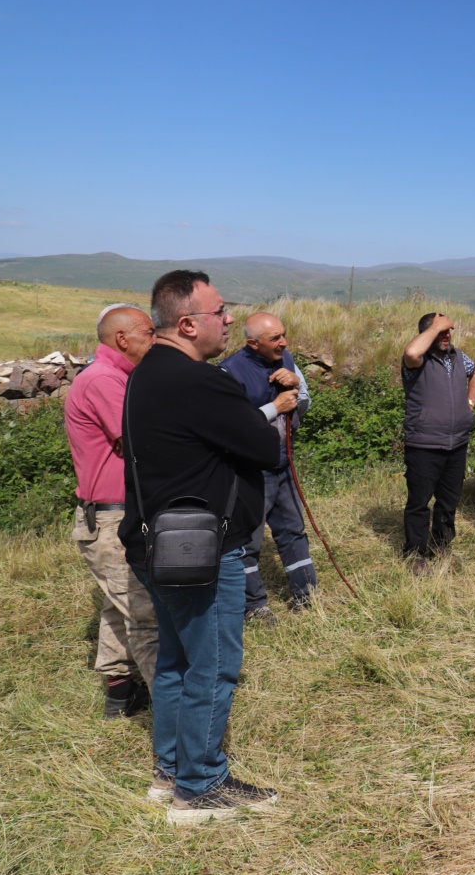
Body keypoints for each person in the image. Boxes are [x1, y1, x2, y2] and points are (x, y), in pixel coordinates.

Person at [120, 270, 282, 823]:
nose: (230, 319)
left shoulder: (147, 373)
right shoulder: (198, 380)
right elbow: (263, 445)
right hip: (203, 552)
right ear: (188, 324)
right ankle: (200, 786)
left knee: (175, 661)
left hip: (155, 545)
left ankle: (170, 772)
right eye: (221, 312)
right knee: (211, 667)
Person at [64, 303, 159, 718]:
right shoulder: (104, 379)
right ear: (123, 338)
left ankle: (121, 698)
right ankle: (180, 719)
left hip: (109, 515)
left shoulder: (116, 377)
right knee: (147, 616)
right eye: (150, 333)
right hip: (113, 518)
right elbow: (141, 438)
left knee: (118, 608)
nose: (156, 341)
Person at [220, 311, 315, 624]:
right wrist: (275, 407)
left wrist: (297, 384)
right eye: (275, 339)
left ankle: (308, 597)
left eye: (283, 335)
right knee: (248, 540)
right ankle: (254, 606)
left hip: (283, 462)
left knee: (292, 531)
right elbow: (230, 426)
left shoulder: (286, 359)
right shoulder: (230, 371)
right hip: (250, 470)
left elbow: (303, 403)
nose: (284, 343)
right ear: (253, 343)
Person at [401, 312, 475, 571]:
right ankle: (414, 554)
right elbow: (412, 352)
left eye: (449, 331)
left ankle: (441, 548)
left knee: (448, 502)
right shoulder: (418, 360)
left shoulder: (457, 357)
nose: (447, 336)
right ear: (429, 333)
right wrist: (435, 326)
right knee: (419, 502)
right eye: (441, 332)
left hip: (457, 443)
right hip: (424, 444)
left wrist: (470, 403)